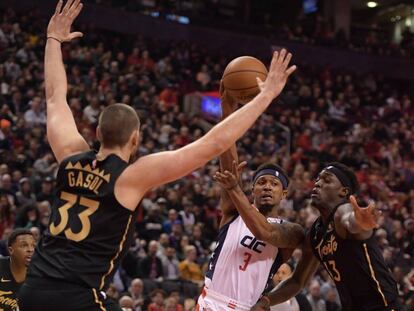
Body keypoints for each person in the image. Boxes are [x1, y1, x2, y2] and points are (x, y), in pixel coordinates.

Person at [18, 1, 297, 310]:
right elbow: (213, 143)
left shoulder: (68, 157)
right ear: (135, 139)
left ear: (97, 133)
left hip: (33, 289)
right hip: (77, 297)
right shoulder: (131, 178)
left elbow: (55, 99)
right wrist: (267, 95)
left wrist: (53, 40)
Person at [196, 93, 304, 310]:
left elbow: (264, 231)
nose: (267, 187)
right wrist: (227, 112)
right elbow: (228, 166)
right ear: (252, 188)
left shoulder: (292, 231)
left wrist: (235, 189)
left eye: (274, 184)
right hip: (211, 302)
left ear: (284, 194)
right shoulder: (233, 212)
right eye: (261, 182)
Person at [252, 163, 401, 311]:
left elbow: (349, 220)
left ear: (343, 192)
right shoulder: (314, 234)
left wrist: (359, 223)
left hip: (383, 306)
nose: (318, 183)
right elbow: (297, 281)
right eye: (317, 179)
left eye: (327, 180)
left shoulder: (342, 212)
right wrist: (267, 300)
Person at [0, 229, 35, 311]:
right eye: (24, 245)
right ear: (11, 250)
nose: (31, 249)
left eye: (33, 245)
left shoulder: (39, 277)